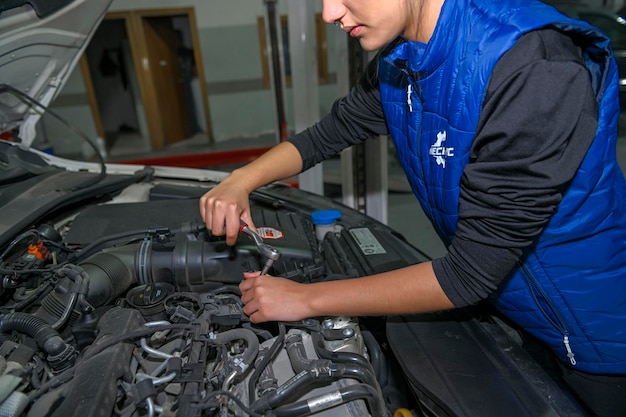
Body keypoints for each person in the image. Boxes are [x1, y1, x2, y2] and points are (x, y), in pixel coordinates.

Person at [199, 1, 626, 415]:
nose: (329, 12)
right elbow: (330, 133)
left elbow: (467, 274)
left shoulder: (532, 65)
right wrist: (241, 180)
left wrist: (305, 300)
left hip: (599, 338)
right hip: (516, 310)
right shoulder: (401, 61)